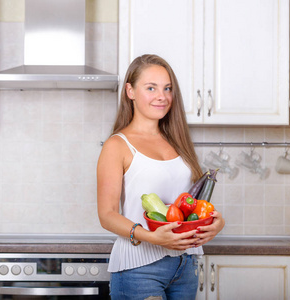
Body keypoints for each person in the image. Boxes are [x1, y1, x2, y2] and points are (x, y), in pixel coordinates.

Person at [97, 54, 225, 300]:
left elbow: (188, 205)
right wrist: (152, 237)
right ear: (130, 91)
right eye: (151, 88)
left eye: (167, 88)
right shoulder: (117, 145)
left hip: (185, 267)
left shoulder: (178, 142)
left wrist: (215, 223)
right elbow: (107, 214)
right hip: (138, 270)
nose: (162, 96)